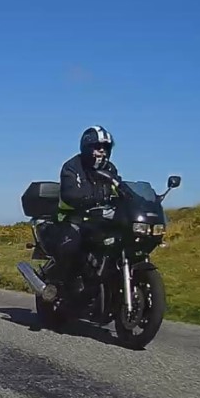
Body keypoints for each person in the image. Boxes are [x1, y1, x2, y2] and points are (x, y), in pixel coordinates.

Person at [46, 125, 120, 298]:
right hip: (71, 219)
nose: (102, 151)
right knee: (73, 247)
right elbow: (69, 193)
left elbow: (119, 188)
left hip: (98, 221)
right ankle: (64, 286)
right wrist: (88, 198)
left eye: (105, 148)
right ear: (87, 148)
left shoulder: (110, 169)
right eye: (97, 147)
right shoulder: (72, 167)